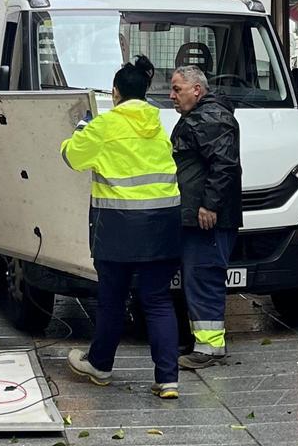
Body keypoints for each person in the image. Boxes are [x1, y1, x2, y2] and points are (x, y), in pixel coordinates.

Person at [63, 56, 183, 399]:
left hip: (118, 227)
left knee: (112, 299)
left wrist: (81, 129)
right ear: (145, 92)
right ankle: (168, 379)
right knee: (158, 301)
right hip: (162, 224)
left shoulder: (103, 126)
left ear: (115, 93)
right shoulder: (159, 125)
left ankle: (100, 365)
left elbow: (73, 157)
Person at [169, 65, 242, 370]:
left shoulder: (209, 118)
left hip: (207, 219)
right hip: (199, 216)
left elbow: (224, 165)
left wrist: (209, 205)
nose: (172, 96)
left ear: (196, 90)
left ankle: (210, 348)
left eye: (177, 89)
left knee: (205, 279)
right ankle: (203, 341)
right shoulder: (202, 117)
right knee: (198, 279)